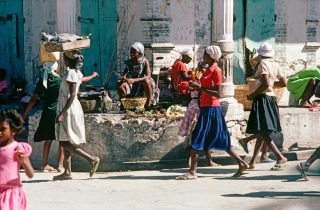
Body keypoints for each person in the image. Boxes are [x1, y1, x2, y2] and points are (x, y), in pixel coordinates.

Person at [176, 45, 249, 180]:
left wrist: (201, 87)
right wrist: (196, 86)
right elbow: (206, 87)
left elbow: (218, 93)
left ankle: (192, 172)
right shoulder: (208, 69)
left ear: (210, 56)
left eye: (205, 54)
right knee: (221, 140)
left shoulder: (216, 70)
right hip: (207, 107)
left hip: (211, 108)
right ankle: (242, 163)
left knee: (197, 138)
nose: (203, 56)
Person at [53, 50, 100, 180]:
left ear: (69, 61)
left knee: (63, 141)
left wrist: (62, 113)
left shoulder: (71, 73)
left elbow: (73, 94)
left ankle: (91, 159)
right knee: (65, 138)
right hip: (69, 106)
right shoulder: (76, 72)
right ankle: (67, 172)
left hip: (68, 107)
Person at [245, 42, 288, 170]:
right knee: (262, 130)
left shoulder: (263, 63)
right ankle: (253, 161)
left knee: (263, 131)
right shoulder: (275, 64)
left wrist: (252, 95)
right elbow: (284, 82)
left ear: (260, 53)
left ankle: (280, 157)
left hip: (262, 98)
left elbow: (264, 83)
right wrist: (272, 85)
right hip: (271, 99)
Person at [22, 44, 64, 172]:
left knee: (48, 138)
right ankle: (61, 165)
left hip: (47, 111)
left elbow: (33, 100)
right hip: (59, 111)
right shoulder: (60, 80)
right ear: (56, 67)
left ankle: (45, 164)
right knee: (62, 139)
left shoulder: (43, 81)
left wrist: (24, 115)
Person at [178, 62, 219, 167]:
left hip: (193, 106)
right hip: (199, 108)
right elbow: (203, 95)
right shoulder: (200, 83)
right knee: (198, 135)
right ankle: (195, 163)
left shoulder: (196, 80)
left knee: (196, 135)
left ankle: (197, 162)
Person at [0, 109, 34, 210]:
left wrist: (24, 161)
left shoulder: (19, 149)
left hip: (11, 194)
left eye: (3, 129)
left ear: (13, 130)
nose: (0, 132)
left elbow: (30, 174)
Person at [117, 42, 155, 109]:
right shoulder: (129, 62)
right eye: (131, 51)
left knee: (146, 80)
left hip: (144, 82)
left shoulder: (145, 62)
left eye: (134, 52)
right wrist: (123, 77)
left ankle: (148, 104)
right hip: (133, 83)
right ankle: (124, 104)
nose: (132, 54)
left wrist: (134, 80)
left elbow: (148, 76)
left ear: (140, 53)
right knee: (119, 84)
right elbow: (124, 73)